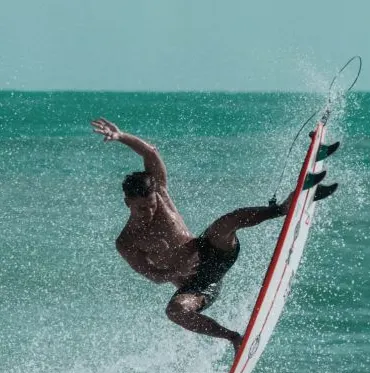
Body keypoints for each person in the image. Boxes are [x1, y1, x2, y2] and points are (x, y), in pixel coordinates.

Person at [91, 118, 336, 354]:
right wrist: (173, 273)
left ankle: (285, 207)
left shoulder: (161, 192)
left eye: (152, 204)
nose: (150, 211)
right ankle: (234, 338)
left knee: (225, 223)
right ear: (127, 203)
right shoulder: (127, 242)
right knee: (175, 311)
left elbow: (150, 153)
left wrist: (121, 136)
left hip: (212, 251)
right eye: (142, 208)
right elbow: (151, 275)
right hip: (197, 285)